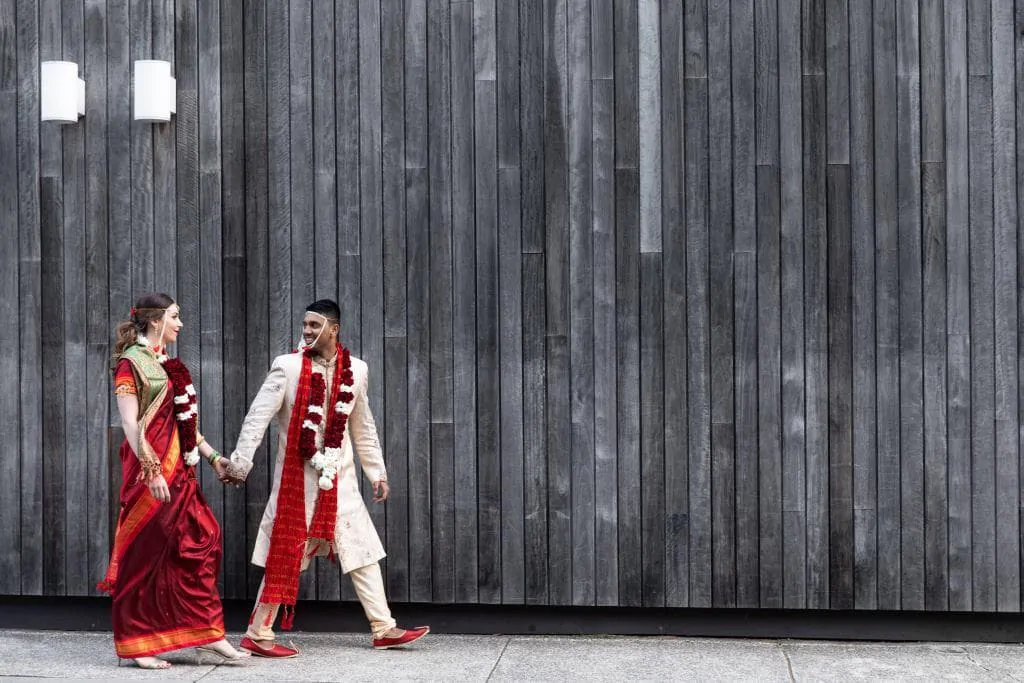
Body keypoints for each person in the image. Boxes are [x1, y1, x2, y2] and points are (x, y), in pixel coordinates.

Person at [222, 299, 428, 657]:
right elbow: (257, 418)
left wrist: (376, 472)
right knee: (287, 555)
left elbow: (362, 425)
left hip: (341, 480)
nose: (307, 331)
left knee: (361, 549)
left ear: (334, 329)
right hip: (297, 485)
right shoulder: (286, 368)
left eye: (315, 325)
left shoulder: (357, 371)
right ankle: (258, 632)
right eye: (305, 325)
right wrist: (240, 464)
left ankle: (384, 628)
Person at [99, 293, 249, 669]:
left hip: (181, 473)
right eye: (175, 317)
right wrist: (150, 471)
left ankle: (208, 636)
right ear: (154, 322)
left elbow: (186, 425)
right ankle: (137, 644)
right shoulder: (130, 365)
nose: (180, 324)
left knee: (201, 545)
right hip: (150, 476)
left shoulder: (168, 364)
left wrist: (215, 459)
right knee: (144, 557)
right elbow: (131, 423)